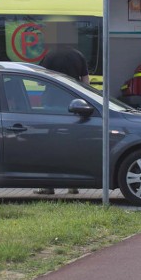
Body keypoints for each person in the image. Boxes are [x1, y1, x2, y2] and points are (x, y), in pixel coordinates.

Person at [35, 46, 90, 196]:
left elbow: (40, 81)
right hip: (72, 104)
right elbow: (86, 82)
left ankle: (48, 186)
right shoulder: (78, 55)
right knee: (70, 146)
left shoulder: (49, 55)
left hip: (50, 104)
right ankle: (72, 185)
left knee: (49, 146)